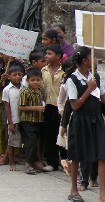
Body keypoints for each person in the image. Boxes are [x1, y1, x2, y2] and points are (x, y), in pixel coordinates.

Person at [65, 46, 105, 202]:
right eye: (93, 57)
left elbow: (104, 99)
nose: (96, 60)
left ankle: (103, 195)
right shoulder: (72, 80)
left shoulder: (96, 77)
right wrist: (88, 89)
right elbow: (75, 106)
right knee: (77, 155)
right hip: (80, 121)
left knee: (102, 155)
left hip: (96, 120)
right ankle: (74, 190)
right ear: (85, 60)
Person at [19, 67, 50, 175]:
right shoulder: (25, 92)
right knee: (30, 142)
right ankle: (28, 163)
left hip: (38, 120)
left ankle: (36, 162)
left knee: (37, 142)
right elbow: (21, 107)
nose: (35, 82)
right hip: (28, 121)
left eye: (37, 80)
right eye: (32, 80)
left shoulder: (40, 91)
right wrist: (36, 108)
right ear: (28, 81)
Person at [41, 44, 65, 172]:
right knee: (49, 134)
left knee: (62, 134)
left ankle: (65, 161)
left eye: (49, 54)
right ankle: (52, 162)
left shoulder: (64, 71)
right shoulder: (43, 70)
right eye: (46, 53)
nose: (46, 56)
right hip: (47, 106)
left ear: (58, 56)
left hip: (61, 107)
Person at [3, 64, 24, 171]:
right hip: (14, 119)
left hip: (24, 118)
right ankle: (11, 162)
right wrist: (10, 122)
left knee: (23, 140)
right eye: (14, 75)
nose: (17, 77)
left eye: (19, 74)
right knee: (11, 142)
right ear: (9, 76)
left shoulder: (24, 87)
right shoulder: (7, 90)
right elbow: (7, 106)